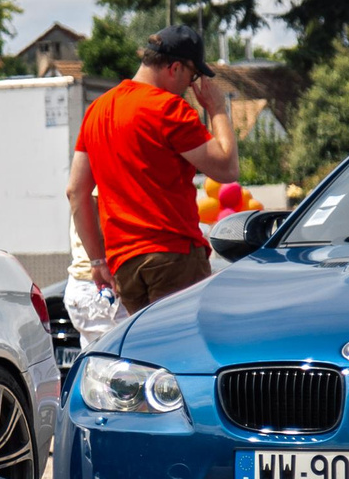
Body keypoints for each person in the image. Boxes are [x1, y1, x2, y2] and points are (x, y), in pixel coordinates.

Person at [65, 25, 238, 312]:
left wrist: (97, 261)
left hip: (124, 264)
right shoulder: (168, 109)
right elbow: (227, 168)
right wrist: (218, 109)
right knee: (183, 350)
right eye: (192, 76)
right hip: (173, 254)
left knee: (147, 354)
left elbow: (75, 192)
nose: (190, 86)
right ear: (175, 68)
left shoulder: (97, 110)